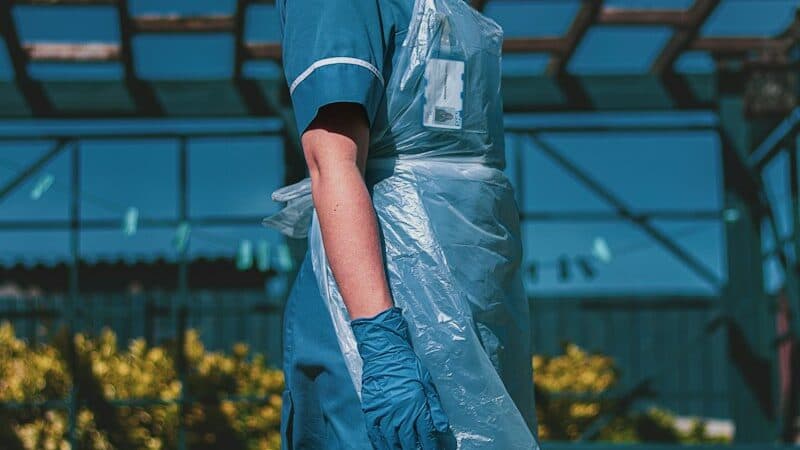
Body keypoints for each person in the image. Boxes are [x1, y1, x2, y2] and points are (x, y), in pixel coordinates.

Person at [269, 0, 540, 448]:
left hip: (476, 301)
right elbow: (332, 159)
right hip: (382, 304)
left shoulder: (449, 12)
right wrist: (381, 342)